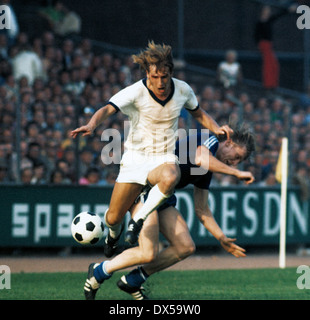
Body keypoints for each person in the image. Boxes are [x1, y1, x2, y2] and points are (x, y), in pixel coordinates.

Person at [71, 41, 232, 248]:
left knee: (171, 176)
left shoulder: (183, 90)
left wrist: (216, 128)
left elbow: (198, 112)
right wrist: (92, 124)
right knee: (112, 217)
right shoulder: (135, 92)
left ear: (170, 73)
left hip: (164, 156)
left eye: (164, 76)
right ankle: (112, 234)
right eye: (155, 77)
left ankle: (137, 221)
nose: (160, 82)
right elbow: (107, 109)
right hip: (135, 158)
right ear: (147, 74)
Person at [83, 124, 255, 300]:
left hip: (161, 196)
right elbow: (201, 158)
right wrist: (236, 173)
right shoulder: (207, 139)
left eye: (238, 162)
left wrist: (221, 238)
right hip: (143, 188)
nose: (234, 162)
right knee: (148, 252)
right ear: (228, 143)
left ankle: (133, 280)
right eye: (236, 157)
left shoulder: (208, 170)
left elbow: (202, 209)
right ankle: (99, 271)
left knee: (185, 246)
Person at [254, 4, 297, 90]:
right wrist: (258, 44)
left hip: (269, 44)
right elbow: (256, 35)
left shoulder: (269, 20)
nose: (267, 13)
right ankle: (268, 85)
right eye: (266, 11)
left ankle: (273, 84)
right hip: (264, 44)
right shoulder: (259, 22)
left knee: (274, 64)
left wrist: (288, 10)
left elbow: (278, 15)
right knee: (268, 65)